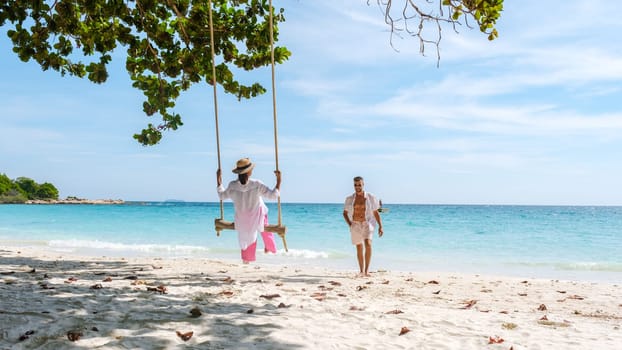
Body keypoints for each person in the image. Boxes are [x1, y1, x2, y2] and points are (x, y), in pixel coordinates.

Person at [217, 157, 282, 264]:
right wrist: (279, 181)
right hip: (257, 216)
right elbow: (273, 195)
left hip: (242, 220)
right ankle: (269, 247)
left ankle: (247, 259)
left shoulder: (232, 185)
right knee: (263, 217)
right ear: (249, 172)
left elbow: (221, 196)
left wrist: (218, 180)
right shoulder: (256, 184)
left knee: (246, 233)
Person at [343, 176, 383, 277]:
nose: (357, 187)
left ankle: (366, 271)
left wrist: (380, 226)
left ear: (363, 184)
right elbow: (344, 213)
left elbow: (376, 212)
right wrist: (350, 224)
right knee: (359, 247)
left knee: (368, 243)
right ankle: (361, 271)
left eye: (359, 185)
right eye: (355, 185)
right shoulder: (350, 199)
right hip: (355, 224)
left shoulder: (371, 197)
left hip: (367, 223)